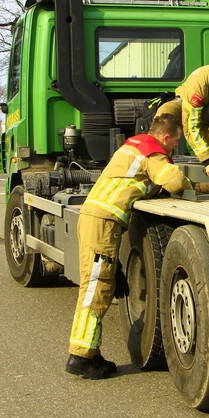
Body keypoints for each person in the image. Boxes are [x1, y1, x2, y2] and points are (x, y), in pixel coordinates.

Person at [66, 113, 190, 379]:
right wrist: (194, 184)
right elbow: (175, 181)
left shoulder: (133, 144)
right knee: (96, 288)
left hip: (96, 219)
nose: (174, 148)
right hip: (102, 222)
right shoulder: (152, 152)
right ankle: (81, 355)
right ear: (166, 137)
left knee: (103, 284)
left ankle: (91, 352)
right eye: (175, 142)